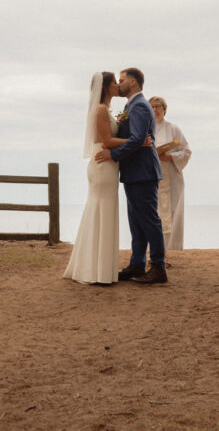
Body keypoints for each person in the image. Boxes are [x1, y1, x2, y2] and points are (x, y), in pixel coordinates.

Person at [96, 67, 165, 284]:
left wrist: (112, 154)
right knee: (136, 222)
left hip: (143, 171)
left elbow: (137, 139)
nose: (119, 83)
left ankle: (158, 267)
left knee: (149, 220)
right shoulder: (131, 105)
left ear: (133, 82)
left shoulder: (141, 106)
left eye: (122, 80)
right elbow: (135, 138)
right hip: (134, 172)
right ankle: (137, 264)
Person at [63, 71, 133, 285]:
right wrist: (136, 141)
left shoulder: (105, 109)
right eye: (114, 82)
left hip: (107, 164)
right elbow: (107, 140)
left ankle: (96, 267)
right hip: (103, 165)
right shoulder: (101, 109)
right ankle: (97, 271)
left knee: (101, 211)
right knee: (101, 211)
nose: (117, 85)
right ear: (105, 87)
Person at [150, 96, 191, 252]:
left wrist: (170, 157)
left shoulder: (174, 129)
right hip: (153, 179)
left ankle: (172, 250)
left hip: (171, 179)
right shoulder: (147, 129)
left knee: (172, 213)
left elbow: (186, 151)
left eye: (158, 106)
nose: (155, 110)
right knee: (155, 214)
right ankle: (155, 251)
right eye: (152, 107)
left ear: (164, 109)